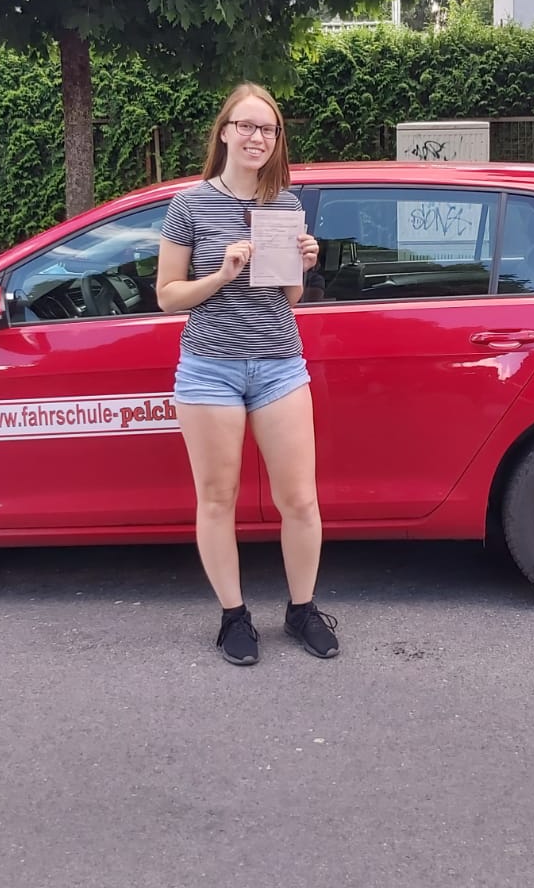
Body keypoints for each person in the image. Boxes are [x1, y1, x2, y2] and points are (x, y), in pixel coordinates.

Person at [156, 82, 337, 665]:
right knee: (218, 498)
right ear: (225, 133)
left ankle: (302, 610)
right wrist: (221, 274)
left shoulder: (286, 205)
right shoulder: (189, 205)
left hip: (279, 364)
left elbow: (289, 297)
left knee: (300, 499)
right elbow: (168, 296)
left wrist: (303, 264)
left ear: (277, 139)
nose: (258, 137)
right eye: (247, 126)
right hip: (209, 369)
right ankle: (234, 617)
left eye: (269, 129)